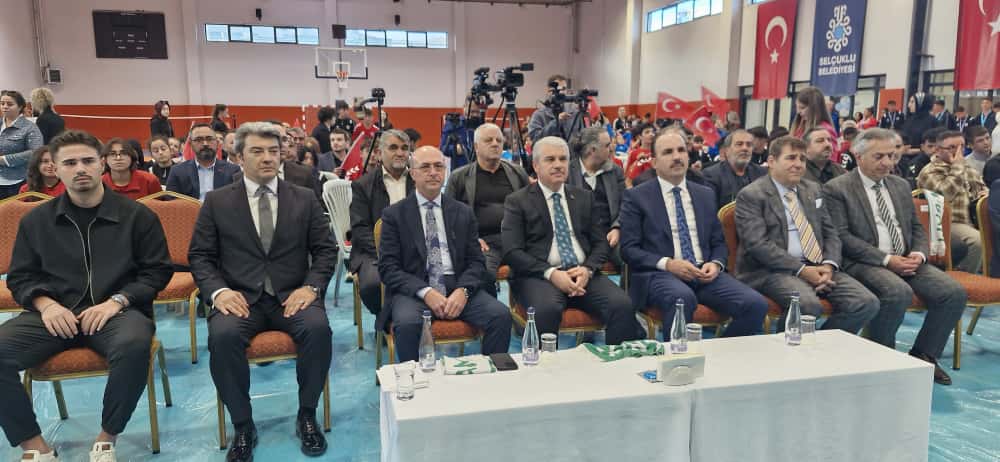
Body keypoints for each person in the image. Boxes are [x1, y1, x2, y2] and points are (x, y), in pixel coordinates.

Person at [0, 129, 172, 462]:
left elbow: (156, 272)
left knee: (134, 346)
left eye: (88, 160)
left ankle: (107, 438)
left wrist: (117, 301)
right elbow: (20, 277)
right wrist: (47, 306)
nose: (80, 168)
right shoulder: (36, 222)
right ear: (55, 169)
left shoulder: (138, 216)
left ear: (101, 164)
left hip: (117, 313)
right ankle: (36, 448)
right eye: (70, 163)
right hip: (53, 316)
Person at [188, 122, 336, 460]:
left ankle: (307, 415)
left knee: (318, 330)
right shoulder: (217, 202)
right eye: (257, 151)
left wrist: (311, 287)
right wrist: (219, 292)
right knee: (223, 337)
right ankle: (243, 425)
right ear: (239, 157)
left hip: (292, 295)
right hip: (240, 297)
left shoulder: (304, 198)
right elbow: (200, 256)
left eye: (273, 151)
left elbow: (326, 250)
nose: (268, 158)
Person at [824, 128, 966, 385]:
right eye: (879, 156)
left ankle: (924, 355)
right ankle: (881, 355)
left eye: (891, 156)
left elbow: (916, 227)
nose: (887, 163)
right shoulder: (837, 189)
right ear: (859, 156)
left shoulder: (900, 185)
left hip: (906, 258)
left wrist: (919, 254)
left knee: (953, 292)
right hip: (864, 261)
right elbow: (842, 237)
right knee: (897, 292)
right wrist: (887, 260)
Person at [619, 131, 767, 337]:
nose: (677, 157)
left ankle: (722, 352)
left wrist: (715, 264)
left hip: (703, 273)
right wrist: (669, 264)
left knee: (755, 304)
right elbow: (629, 250)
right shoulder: (637, 196)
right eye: (668, 152)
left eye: (681, 150)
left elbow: (718, 242)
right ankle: (677, 356)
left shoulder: (704, 194)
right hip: (660, 274)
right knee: (682, 298)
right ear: (654, 162)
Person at [502, 136, 643, 345]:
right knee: (546, 310)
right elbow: (512, 251)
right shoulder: (517, 201)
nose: (558, 165)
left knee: (622, 304)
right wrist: (551, 273)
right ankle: (546, 364)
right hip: (539, 275)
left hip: (582, 272)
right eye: (550, 159)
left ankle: (617, 362)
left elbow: (600, 243)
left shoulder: (584, 197)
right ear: (536, 166)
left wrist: (588, 269)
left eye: (563, 159)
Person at [734, 136, 879, 335]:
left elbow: (830, 233)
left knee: (866, 303)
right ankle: (786, 352)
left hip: (818, 266)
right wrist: (802, 270)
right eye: (791, 158)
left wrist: (829, 265)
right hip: (770, 270)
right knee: (807, 305)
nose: (798, 164)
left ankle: (823, 348)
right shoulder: (752, 195)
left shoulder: (813, 189)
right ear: (772, 161)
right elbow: (758, 244)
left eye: (802, 159)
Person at [380, 146, 512, 361]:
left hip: (458, 284)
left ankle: (491, 377)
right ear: (412, 173)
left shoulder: (463, 212)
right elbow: (388, 268)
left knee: (500, 316)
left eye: (438, 166)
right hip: (415, 289)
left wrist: (464, 291)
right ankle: (416, 379)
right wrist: (426, 292)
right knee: (408, 324)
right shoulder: (394, 215)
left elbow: (476, 261)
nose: (433, 172)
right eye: (425, 167)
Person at [445, 123, 530, 296]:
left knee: (537, 270)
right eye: (489, 140)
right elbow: (448, 216)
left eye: (499, 140)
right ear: (476, 146)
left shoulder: (518, 172)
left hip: (517, 241)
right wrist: (471, 238)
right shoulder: (459, 177)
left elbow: (532, 208)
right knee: (483, 275)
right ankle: (493, 311)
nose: (495, 144)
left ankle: (527, 310)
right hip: (484, 244)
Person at [350, 129, 415, 315]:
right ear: (379, 153)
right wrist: (386, 253)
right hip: (374, 251)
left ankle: (413, 316)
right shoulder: (362, 185)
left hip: (415, 249)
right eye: (393, 148)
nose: (400, 153)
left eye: (404, 148)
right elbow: (360, 229)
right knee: (373, 285)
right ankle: (386, 320)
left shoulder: (418, 181)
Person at [917, 130, 986, 273]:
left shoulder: (968, 168)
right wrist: (958, 168)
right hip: (946, 221)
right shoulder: (930, 171)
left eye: (962, 146)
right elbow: (944, 196)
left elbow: (981, 189)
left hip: (973, 220)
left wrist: (986, 194)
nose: (959, 152)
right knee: (977, 241)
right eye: (952, 147)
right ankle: (964, 277)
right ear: (937, 150)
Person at [568, 125, 626, 262]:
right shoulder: (568, 172)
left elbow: (625, 204)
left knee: (626, 253)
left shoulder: (615, 171)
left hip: (610, 234)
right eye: (607, 145)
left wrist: (617, 228)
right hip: (579, 237)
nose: (611, 149)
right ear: (592, 150)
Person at [166, 124, 240, 201]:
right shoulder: (177, 171)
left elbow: (238, 201)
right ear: (191, 144)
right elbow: (171, 203)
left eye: (209, 139)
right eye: (199, 140)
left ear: (217, 142)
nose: (205, 143)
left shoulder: (233, 171)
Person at [701, 129, 768, 210]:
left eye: (749, 145)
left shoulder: (762, 173)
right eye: (739, 144)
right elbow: (709, 210)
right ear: (727, 150)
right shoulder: (712, 175)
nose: (745, 148)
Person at [0, 90, 45, 199]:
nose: (5, 107)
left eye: (10, 104)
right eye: (2, 103)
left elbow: (36, 152)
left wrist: (5, 159)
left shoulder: (30, 127)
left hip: (17, 181)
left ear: (20, 107)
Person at [790, 87, 842, 165]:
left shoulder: (826, 130)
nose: (798, 112)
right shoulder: (800, 126)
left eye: (802, 108)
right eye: (797, 107)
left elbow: (831, 161)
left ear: (814, 108)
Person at [527, 74, 583, 142]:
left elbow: (582, 136)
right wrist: (556, 122)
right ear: (548, 91)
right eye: (558, 89)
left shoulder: (574, 112)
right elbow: (535, 138)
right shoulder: (539, 115)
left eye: (564, 89)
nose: (561, 92)